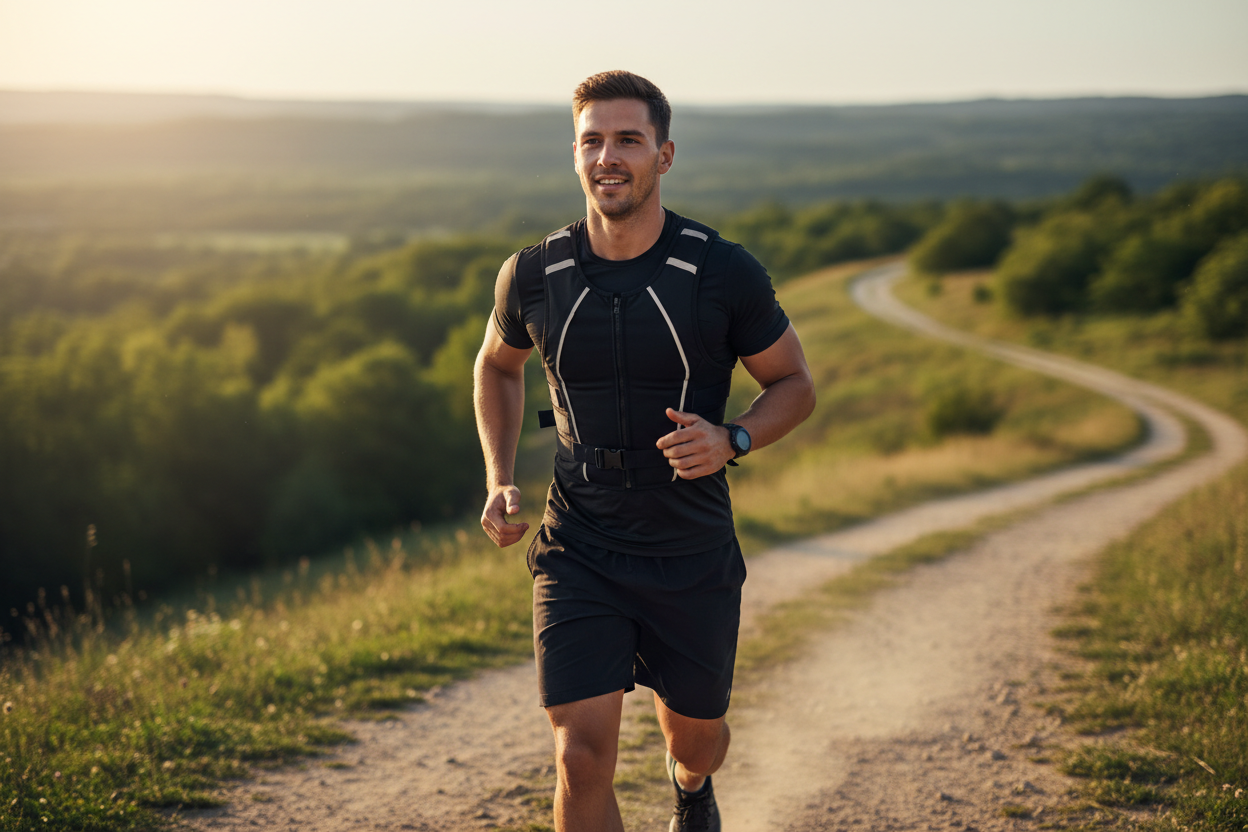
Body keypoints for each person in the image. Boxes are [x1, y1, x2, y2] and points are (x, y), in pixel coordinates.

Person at [474, 70, 815, 832]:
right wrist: (499, 479)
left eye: (628, 139)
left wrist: (734, 438)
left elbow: (794, 383)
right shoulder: (533, 274)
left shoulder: (723, 271)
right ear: (573, 154)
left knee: (698, 739)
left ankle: (690, 784)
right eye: (592, 140)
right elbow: (497, 365)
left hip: (688, 545)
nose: (609, 156)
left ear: (664, 154)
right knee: (579, 756)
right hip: (580, 542)